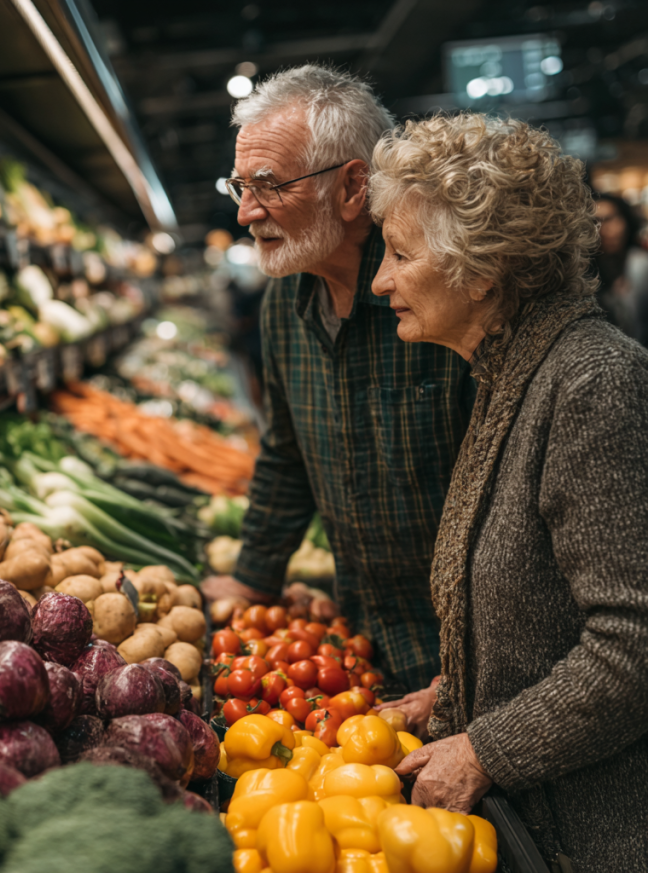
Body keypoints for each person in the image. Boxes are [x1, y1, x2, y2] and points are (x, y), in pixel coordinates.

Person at [370, 114, 648, 871]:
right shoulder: (505, 374)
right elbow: (535, 603)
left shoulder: (592, 381)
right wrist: (456, 688)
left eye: (399, 254)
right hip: (533, 822)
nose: (380, 280)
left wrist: (486, 747)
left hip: (594, 838)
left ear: (481, 268)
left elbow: (633, 640)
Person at [201, 65, 475, 691]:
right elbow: (286, 452)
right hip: (359, 643)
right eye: (239, 186)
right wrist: (255, 577)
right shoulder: (285, 302)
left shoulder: (441, 296)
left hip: (471, 657)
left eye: (268, 187)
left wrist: (481, 669)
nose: (246, 213)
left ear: (353, 187)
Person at [594, 193, 648, 344]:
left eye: (610, 219)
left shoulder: (640, 264)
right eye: (595, 221)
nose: (603, 229)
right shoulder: (586, 272)